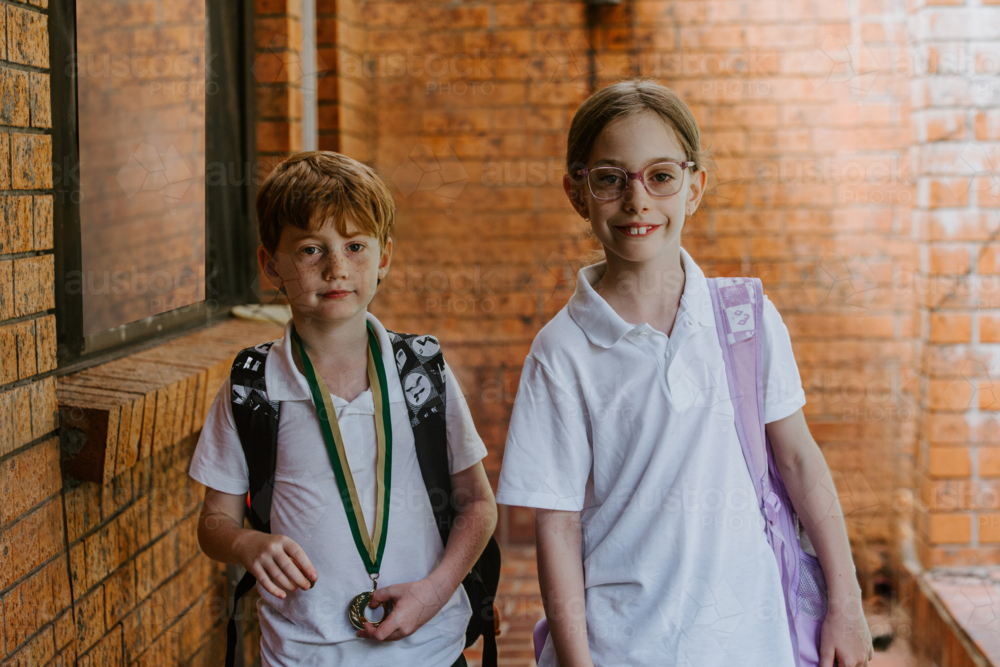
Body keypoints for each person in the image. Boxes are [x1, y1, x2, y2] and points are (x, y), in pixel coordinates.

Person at [495, 79, 874, 667]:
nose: (637, 199)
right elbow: (558, 526)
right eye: (611, 177)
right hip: (623, 647)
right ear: (578, 192)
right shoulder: (561, 351)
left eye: (661, 176)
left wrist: (845, 605)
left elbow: (800, 462)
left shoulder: (746, 318)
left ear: (694, 188)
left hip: (753, 642)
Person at [189, 151, 497, 667]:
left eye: (356, 246)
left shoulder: (421, 372)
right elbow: (212, 523)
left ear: (384, 259)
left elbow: (478, 505)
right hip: (301, 655)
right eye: (311, 250)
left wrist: (436, 591)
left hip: (428, 648)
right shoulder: (253, 387)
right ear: (271, 266)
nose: (336, 268)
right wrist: (246, 545)